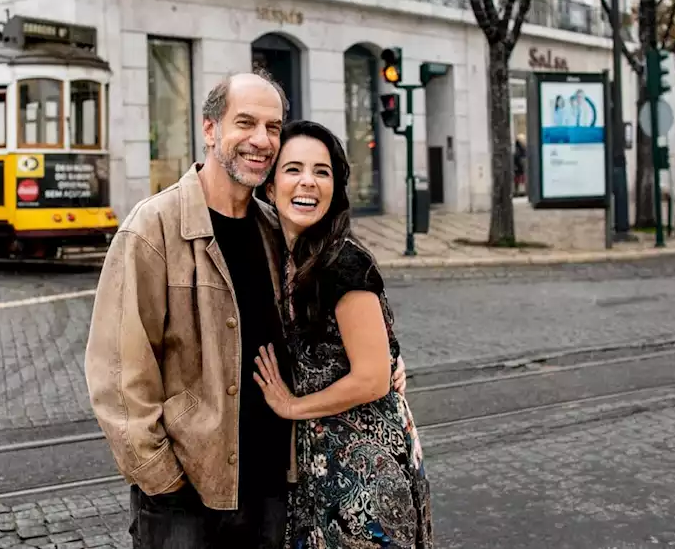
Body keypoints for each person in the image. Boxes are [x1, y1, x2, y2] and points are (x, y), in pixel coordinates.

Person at [85, 72, 405, 549]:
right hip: (187, 501)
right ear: (210, 129)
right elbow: (117, 374)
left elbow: (334, 326)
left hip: (275, 493)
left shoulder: (279, 231)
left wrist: (389, 364)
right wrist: (164, 481)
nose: (261, 140)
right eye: (246, 123)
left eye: (273, 127)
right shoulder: (153, 229)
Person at [254, 120, 433, 549]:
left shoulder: (343, 262)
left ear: (336, 187)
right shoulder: (285, 255)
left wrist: (293, 406)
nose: (308, 182)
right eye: (293, 169)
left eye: (322, 171)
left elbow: (371, 378)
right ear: (270, 185)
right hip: (320, 470)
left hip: (366, 478)